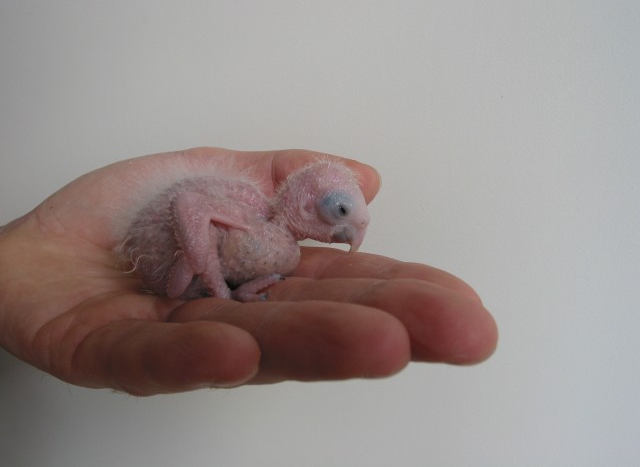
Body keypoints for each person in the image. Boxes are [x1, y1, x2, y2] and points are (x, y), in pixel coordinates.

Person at [0, 147, 497, 395]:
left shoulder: (272, 238)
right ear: (307, 199)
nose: (348, 234)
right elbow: (189, 205)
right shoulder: (248, 205)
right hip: (167, 256)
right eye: (340, 214)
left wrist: (231, 284)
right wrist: (212, 276)